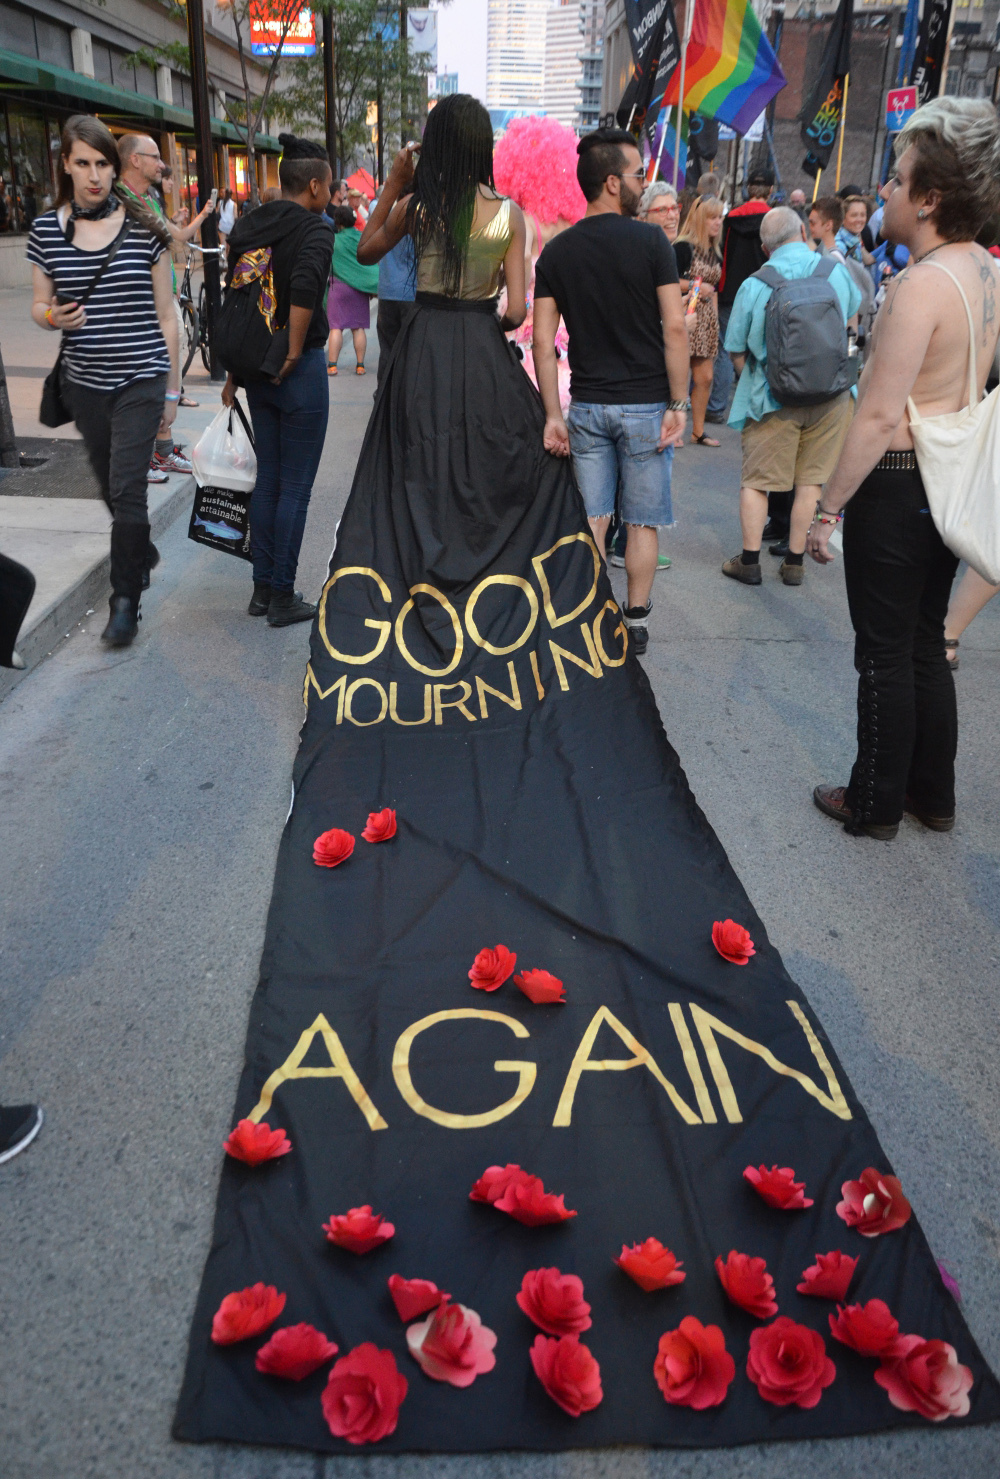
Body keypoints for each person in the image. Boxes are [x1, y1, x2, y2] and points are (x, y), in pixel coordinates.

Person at [808, 98, 1000, 839]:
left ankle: (874, 800)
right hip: (944, 483)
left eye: (895, 180)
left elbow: (880, 413)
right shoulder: (983, 270)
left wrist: (828, 507)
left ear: (930, 199)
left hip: (899, 476)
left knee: (883, 652)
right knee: (923, 639)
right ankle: (932, 794)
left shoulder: (920, 285)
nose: (882, 192)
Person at [529, 127, 689, 657]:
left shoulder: (558, 251)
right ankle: (635, 620)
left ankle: (590, 617)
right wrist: (680, 402)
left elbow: (543, 341)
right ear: (613, 182)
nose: (644, 184)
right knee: (641, 519)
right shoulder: (650, 243)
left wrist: (554, 412)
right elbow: (673, 327)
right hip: (646, 404)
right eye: (640, 175)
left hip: (589, 404)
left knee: (592, 516)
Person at [28, 114, 179, 647]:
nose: (94, 175)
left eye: (103, 164)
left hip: (140, 377)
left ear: (116, 170)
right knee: (106, 482)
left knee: (126, 487)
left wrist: (172, 389)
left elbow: (166, 316)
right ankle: (139, 549)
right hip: (84, 384)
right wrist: (51, 318)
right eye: (83, 163)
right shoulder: (47, 231)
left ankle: (125, 600)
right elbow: (39, 303)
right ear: (65, 166)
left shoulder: (145, 233)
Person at [221, 134, 334, 626]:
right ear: (314, 185)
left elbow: (237, 298)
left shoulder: (249, 224)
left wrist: (235, 373)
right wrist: (291, 351)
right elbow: (306, 286)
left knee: (268, 480)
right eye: (328, 185)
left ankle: (262, 589)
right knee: (295, 488)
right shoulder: (316, 228)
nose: (329, 193)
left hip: (255, 370)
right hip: (297, 367)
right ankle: (283, 596)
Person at [722, 206, 861, 589]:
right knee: (810, 483)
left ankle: (749, 562)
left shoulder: (756, 283)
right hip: (831, 396)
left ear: (766, 248)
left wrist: (755, 379)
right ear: (803, 230)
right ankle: (795, 562)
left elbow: (735, 348)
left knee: (756, 482)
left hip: (772, 398)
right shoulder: (835, 271)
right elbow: (851, 327)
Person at [117, 133, 213, 460]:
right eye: (155, 157)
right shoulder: (117, 205)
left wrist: (199, 217)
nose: (162, 164)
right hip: (137, 313)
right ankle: (146, 454)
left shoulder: (151, 201)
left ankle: (162, 448)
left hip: (164, 300)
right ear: (134, 160)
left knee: (170, 362)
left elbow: (177, 239)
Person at [706, 167, 772, 425]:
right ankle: (759, 406)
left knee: (725, 349)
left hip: (730, 291)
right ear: (770, 191)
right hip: (764, 289)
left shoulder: (730, 219)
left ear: (748, 190)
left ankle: (716, 407)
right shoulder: (775, 219)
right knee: (762, 349)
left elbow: (719, 254)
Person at [673, 195, 724, 447]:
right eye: (712, 217)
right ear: (700, 219)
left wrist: (714, 322)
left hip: (706, 320)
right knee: (679, 377)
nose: (717, 222)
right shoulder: (683, 247)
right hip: (684, 314)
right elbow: (668, 281)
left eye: (720, 217)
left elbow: (713, 289)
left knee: (705, 377)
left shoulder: (715, 251)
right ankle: (674, 429)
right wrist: (696, 286)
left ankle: (698, 431)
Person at [328, 203, 377, 375]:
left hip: (337, 287)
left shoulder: (333, 240)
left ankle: (332, 365)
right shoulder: (361, 238)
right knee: (358, 327)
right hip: (359, 287)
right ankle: (360, 365)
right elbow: (371, 261)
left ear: (337, 222)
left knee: (336, 327)